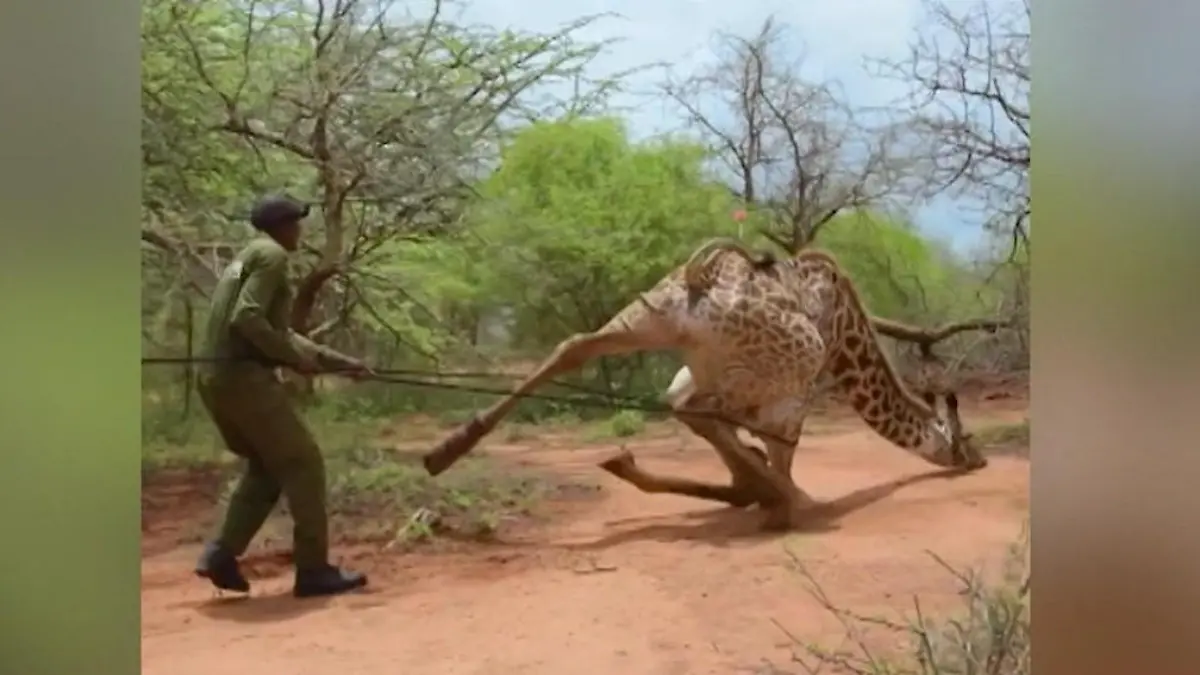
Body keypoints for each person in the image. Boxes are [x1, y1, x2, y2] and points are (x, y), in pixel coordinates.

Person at [193, 195, 373, 598]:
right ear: (284, 226)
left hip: (214, 379)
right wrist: (292, 359)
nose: (300, 231)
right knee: (304, 462)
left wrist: (338, 363)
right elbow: (247, 317)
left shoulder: (246, 257)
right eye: (297, 223)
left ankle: (220, 554)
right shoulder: (273, 255)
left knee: (267, 467)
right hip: (244, 379)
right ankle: (313, 571)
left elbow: (279, 332)